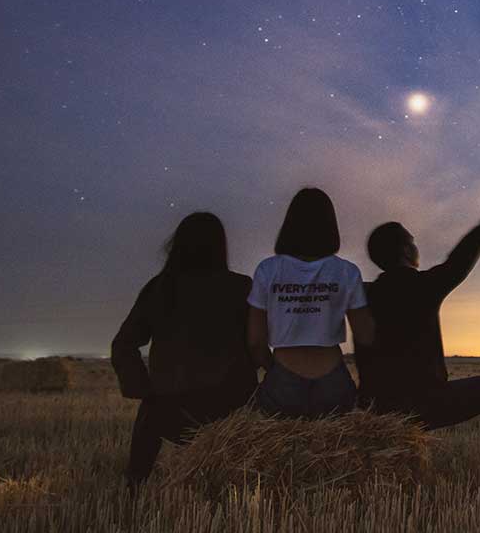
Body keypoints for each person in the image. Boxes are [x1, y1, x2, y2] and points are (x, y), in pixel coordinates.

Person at [356, 192, 480, 480]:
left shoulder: (362, 293)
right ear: (407, 251)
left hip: (374, 406)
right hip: (425, 404)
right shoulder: (424, 286)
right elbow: (461, 258)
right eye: (412, 241)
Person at [111, 212, 256, 484]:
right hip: (231, 409)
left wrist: (144, 389)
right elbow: (257, 343)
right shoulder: (241, 287)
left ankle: (135, 481)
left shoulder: (159, 288)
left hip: (172, 409)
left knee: (149, 414)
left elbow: (123, 344)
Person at [247, 187, 374, 417]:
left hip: (283, 378)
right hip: (333, 380)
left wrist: (273, 370)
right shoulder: (347, 271)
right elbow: (365, 336)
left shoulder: (267, 270)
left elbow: (256, 341)